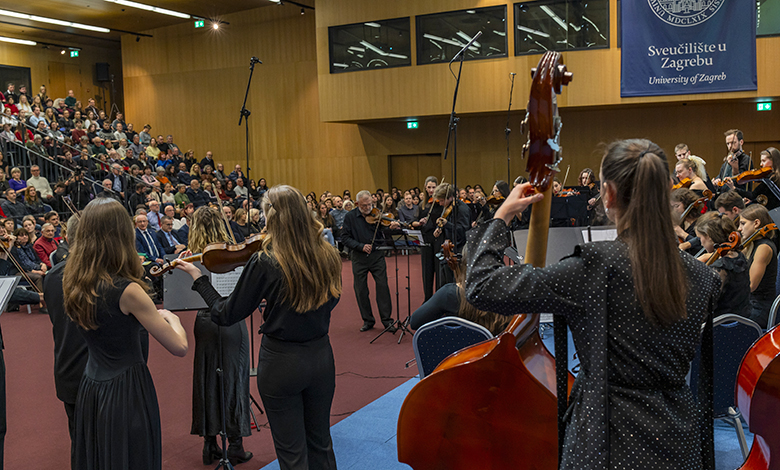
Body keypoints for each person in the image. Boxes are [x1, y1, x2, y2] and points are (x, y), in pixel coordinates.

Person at [465, 139, 720, 469]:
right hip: (677, 437)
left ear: (609, 195)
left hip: (605, 439)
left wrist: (501, 215)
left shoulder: (594, 267)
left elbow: (482, 286)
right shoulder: (705, 277)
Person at [175, 185, 341, 470]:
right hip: (322, 357)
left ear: (272, 217)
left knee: (292, 454)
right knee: (321, 444)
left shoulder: (266, 259)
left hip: (281, 361)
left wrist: (199, 278)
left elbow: (225, 313)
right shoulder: (327, 253)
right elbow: (331, 299)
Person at [63, 198, 187, 469]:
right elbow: (179, 347)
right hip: (127, 390)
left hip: (92, 385)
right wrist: (173, 319)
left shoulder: (73, 281)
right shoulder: (129, 291)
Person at [174, 207, 253, 464]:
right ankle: (236, 445)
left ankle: (209, 445)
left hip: (204, 320)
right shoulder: (233, 253)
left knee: (207, 377)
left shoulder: (190, 257)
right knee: (235, 377)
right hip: (231, 318)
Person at [341, 190, 398, 332]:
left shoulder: (377, 214)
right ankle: (368, 320)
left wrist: (391, 227)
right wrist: (360, 246)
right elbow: (345, 238)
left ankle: (387, 320)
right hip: (359, 258)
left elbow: (385, 232)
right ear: (357, 204)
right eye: (364, 205)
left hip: (376, 255)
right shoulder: (350, 217)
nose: (368, 208)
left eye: (369, 205)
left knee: (382, 286)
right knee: (360, 290)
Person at [693, 211, 750, 318]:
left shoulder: (720, 268)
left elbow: (705, 308)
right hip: (742, 322)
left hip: (723, 327)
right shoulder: (738, 255)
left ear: (709, 236)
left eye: (700, 238)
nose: (701, 243)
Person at [738, 204, 778, 328]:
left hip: (758, 307)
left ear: (756, 223)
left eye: (743, 224)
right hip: (748, 303)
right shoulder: (750, 245)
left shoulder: (764, 248)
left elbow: (751, 286)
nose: (739, 229)